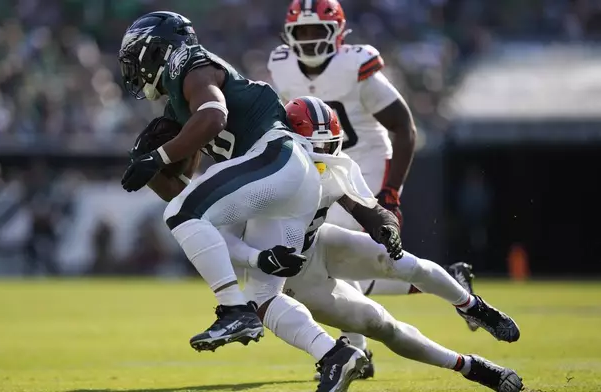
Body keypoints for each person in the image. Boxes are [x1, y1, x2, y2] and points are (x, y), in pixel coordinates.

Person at [119, 12, 367, 391]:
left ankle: (234, 311)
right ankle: (335, 355)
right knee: (264, 297)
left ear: (156, 49)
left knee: (184, 216)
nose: (133, 71)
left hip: (277, 158)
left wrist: (160, 156)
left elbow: (214, 116)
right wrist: (153, 170)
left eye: (136, 57)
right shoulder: (178, 106)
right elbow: (183, 192)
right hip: (287, 183)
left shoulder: (189, 61)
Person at [222, 97, 523, 392]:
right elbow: (221, 238)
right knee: (382, 326)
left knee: (400, 261)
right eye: (315, 147)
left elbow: (366, 207)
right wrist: (257, 258)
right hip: (289, 277)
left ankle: (471, 306)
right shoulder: (257, 174)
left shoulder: (333, 166)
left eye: (329, 146)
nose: (323, 155)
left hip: (319, 243)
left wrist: (385, 225)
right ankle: (470, 366)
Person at [267, 0, 477, 377]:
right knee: (328, 261)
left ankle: (354, 352)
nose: (311, 39)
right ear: (289, 35)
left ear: (338, 33)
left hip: (365, 160)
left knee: (339, 260)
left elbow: (404, 128)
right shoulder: (280, 64)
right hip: (321, 164)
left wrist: (391, 191)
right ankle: (442, 284)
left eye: (319, 30)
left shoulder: (356, 65)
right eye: (303, 31)